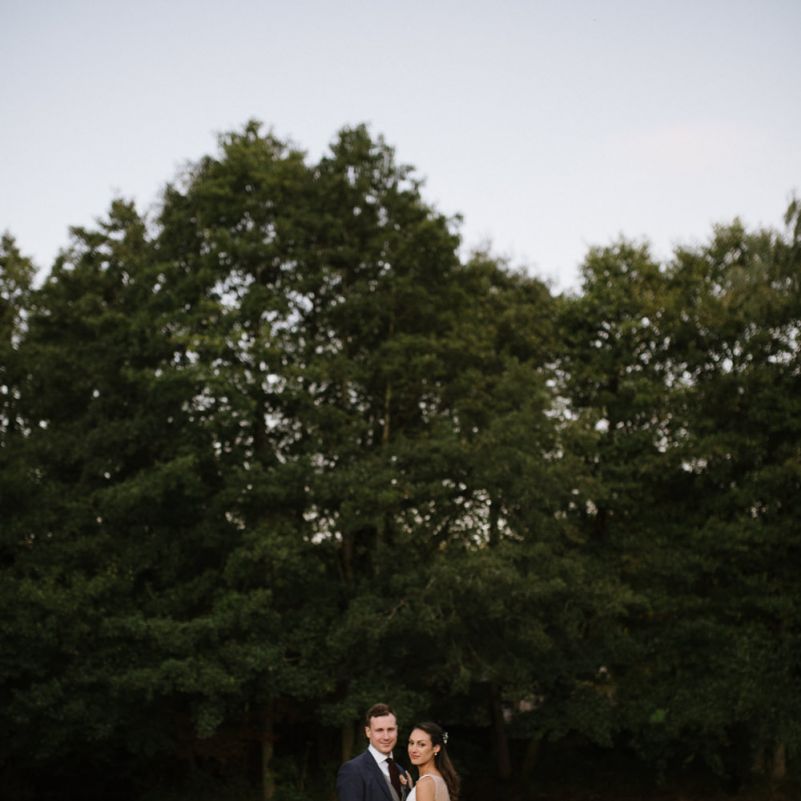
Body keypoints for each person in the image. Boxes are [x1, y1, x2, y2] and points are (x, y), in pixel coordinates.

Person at [337, 703, 414, 801]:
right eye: (379, 730)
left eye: (390, 729)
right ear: (368, 732)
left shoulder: (400, 771)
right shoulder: (353, 771)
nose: (386, 737)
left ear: (397, 730)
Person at [405, 721, 459, 801]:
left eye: (421, 744)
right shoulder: (437, 779)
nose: (413, 750)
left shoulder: (425, 784)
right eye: (411, 743)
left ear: (436, 748)